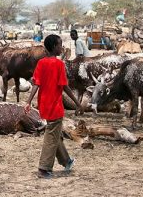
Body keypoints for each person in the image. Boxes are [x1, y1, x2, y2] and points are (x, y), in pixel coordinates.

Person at [24, 34, 83, 179]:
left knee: (54, 134)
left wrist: (28, 102)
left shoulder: (41, 63)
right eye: (60, 44)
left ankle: (66, 161)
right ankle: (44, 169)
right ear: (54, 47)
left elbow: (36, 84)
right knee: (51, 136)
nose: (61, 47)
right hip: (55, 107)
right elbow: (65, 87)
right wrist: (77, 103)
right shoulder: (59, 65)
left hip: (44, 105)